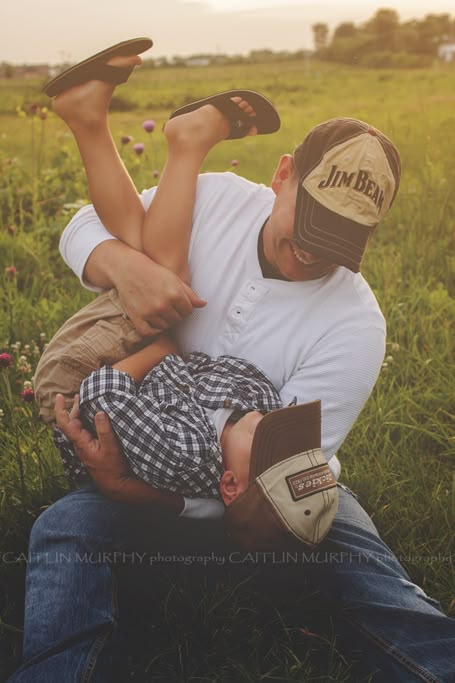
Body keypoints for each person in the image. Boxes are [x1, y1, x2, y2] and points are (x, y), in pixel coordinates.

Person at [9, 47, 455, 682]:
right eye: (308, 217)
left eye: (336, 238)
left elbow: (270, 489)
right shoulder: (218, 199)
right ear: (281, 175)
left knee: (373, 576)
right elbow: (82, 226)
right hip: (150, 436)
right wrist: (125, 269)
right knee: (63, 531)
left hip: (276, 496)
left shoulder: (355, 325)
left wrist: (135, 492)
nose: (308, 249)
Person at [34, 61, 285, 509]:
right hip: (120, 360)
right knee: (163, 272)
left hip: (73, 385)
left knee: (169, 290)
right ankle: (88, 116)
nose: (276, 437)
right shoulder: (251, 415)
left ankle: (160, 138)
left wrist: (167, 346)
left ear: (230, 484)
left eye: (269, 457)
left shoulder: (189, 458)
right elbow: (237, 374)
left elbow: (102, 395)